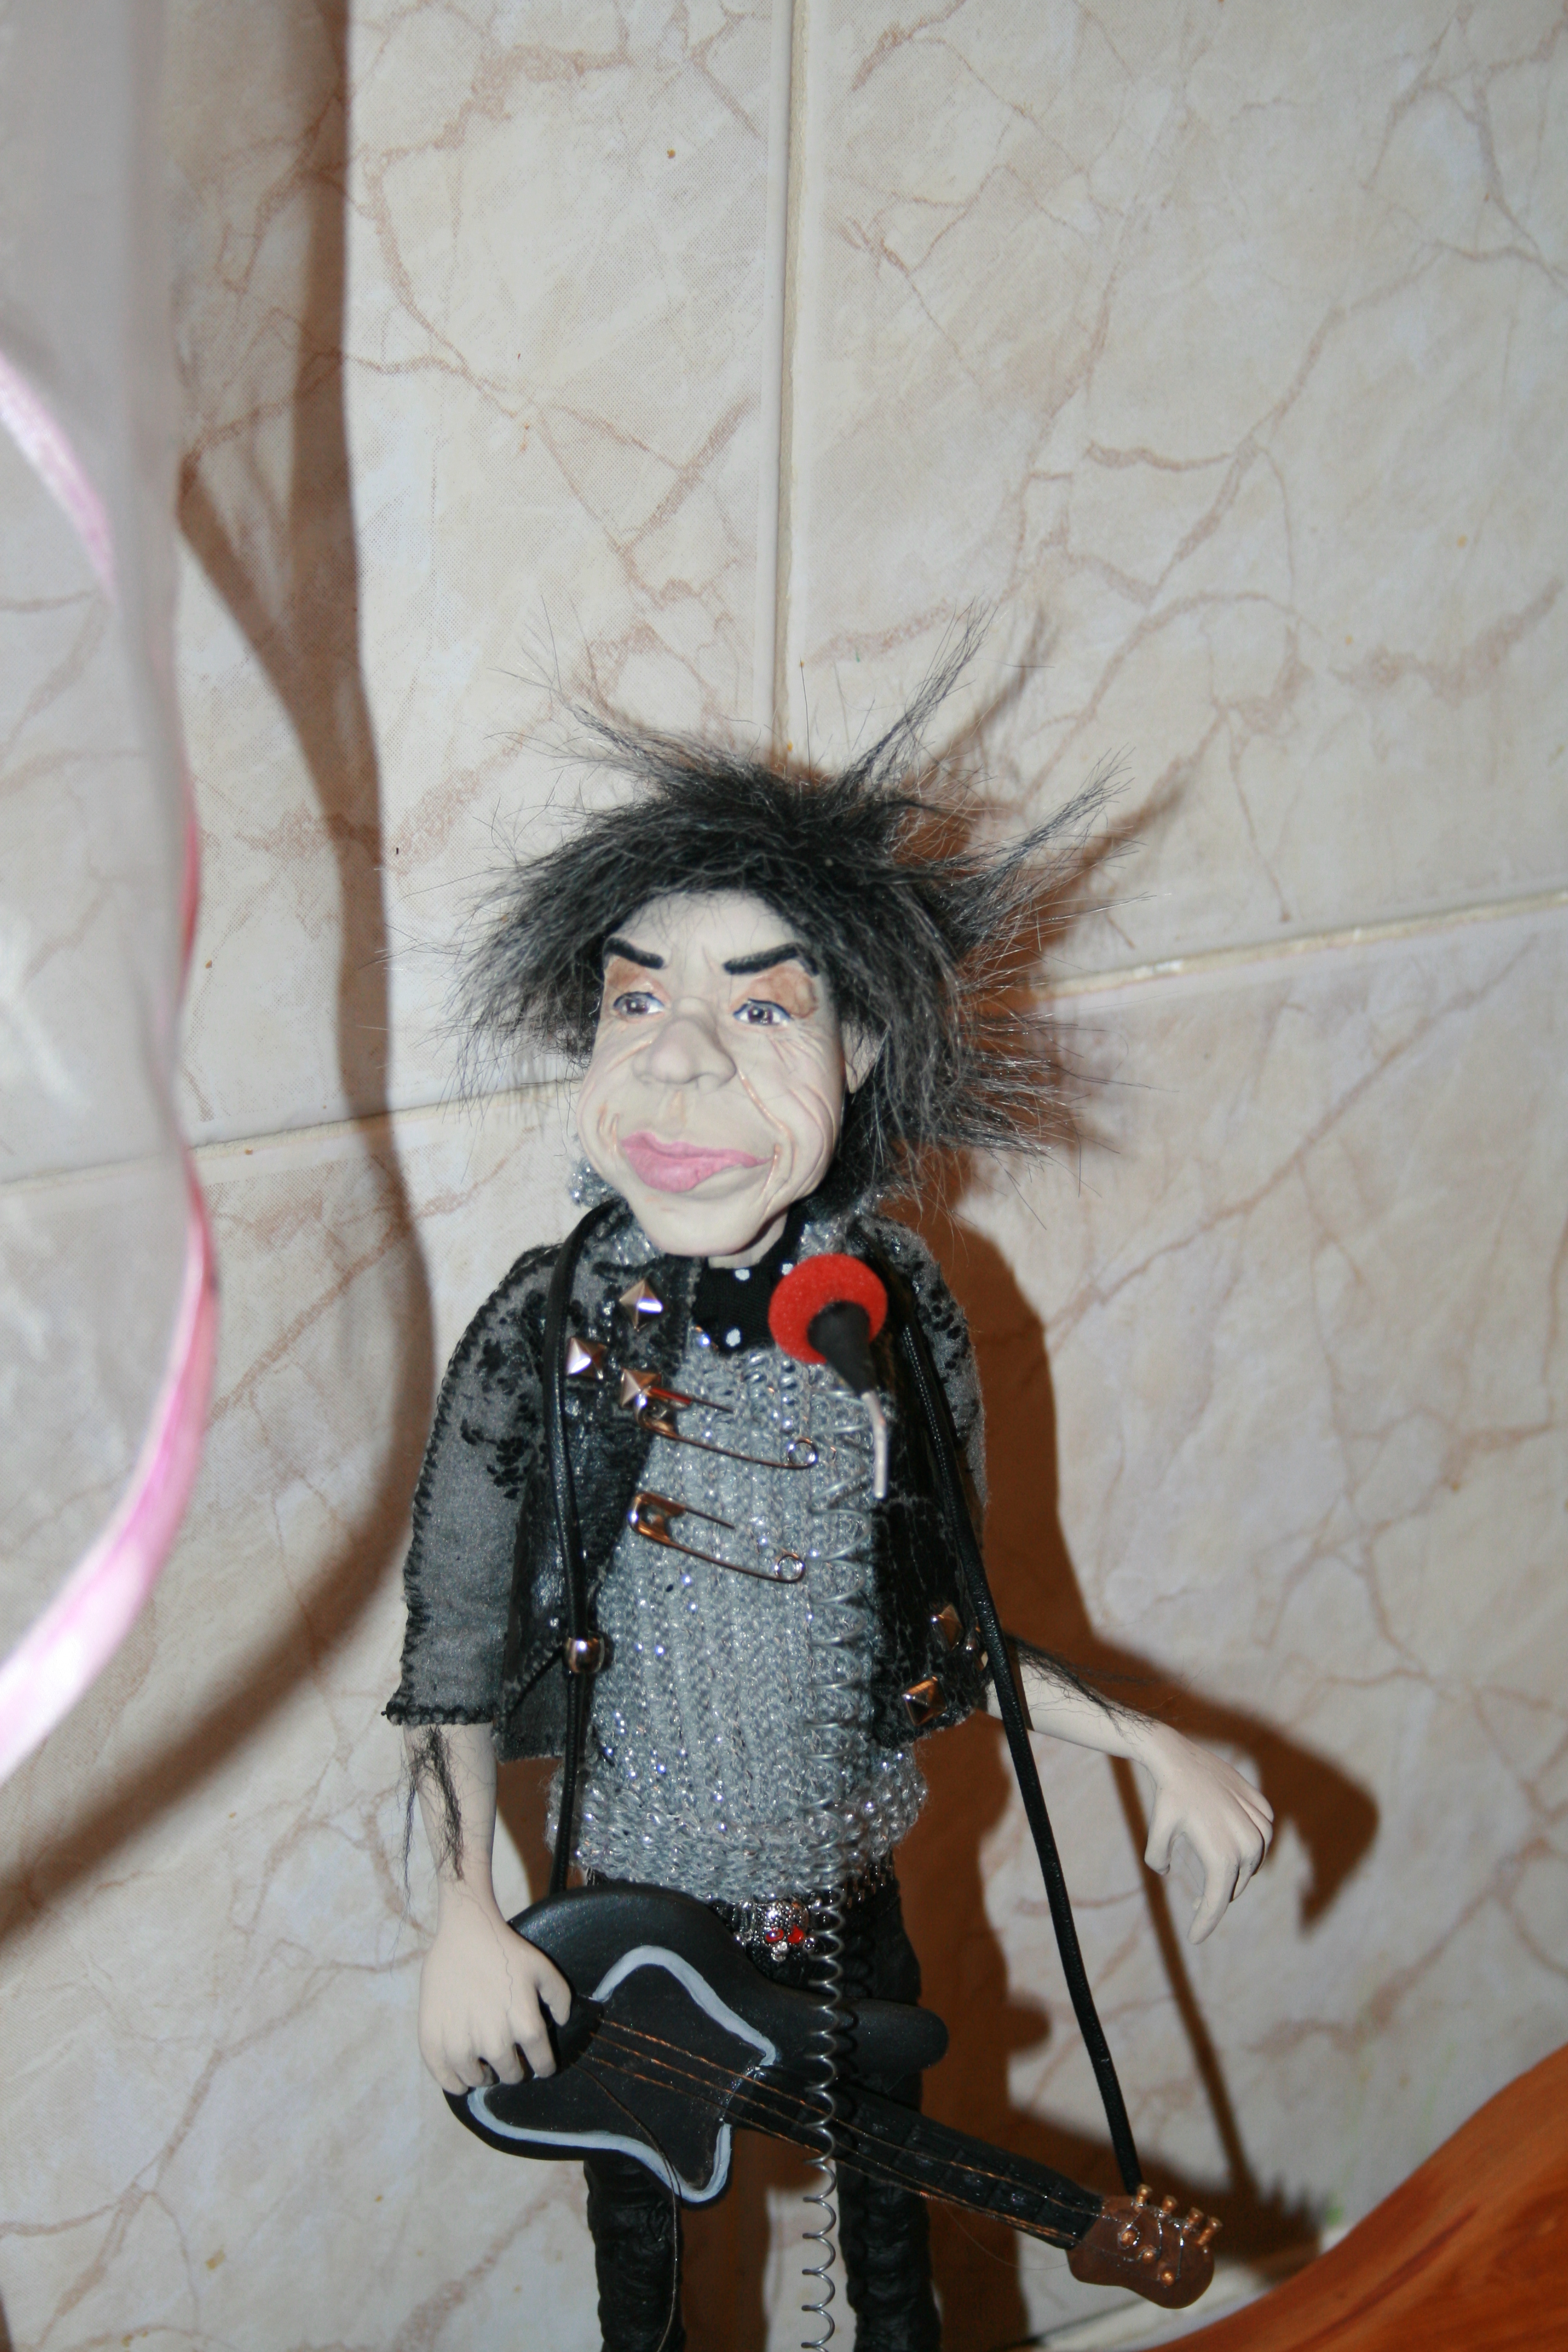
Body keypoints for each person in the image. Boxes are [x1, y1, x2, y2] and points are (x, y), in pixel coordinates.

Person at [387, 676, 1273, 2351]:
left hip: (850, 1906)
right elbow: (449, 1656)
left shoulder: (898, 1309)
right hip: (623, 1928)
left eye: (762, 1009)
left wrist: (1149, 1745)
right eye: (635, 1002)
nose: (681, 1059)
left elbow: (948, 1626)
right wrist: (463, 1914)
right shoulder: (546, 1328)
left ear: (860, 1049)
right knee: (641, 2272)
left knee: (894, 2255)